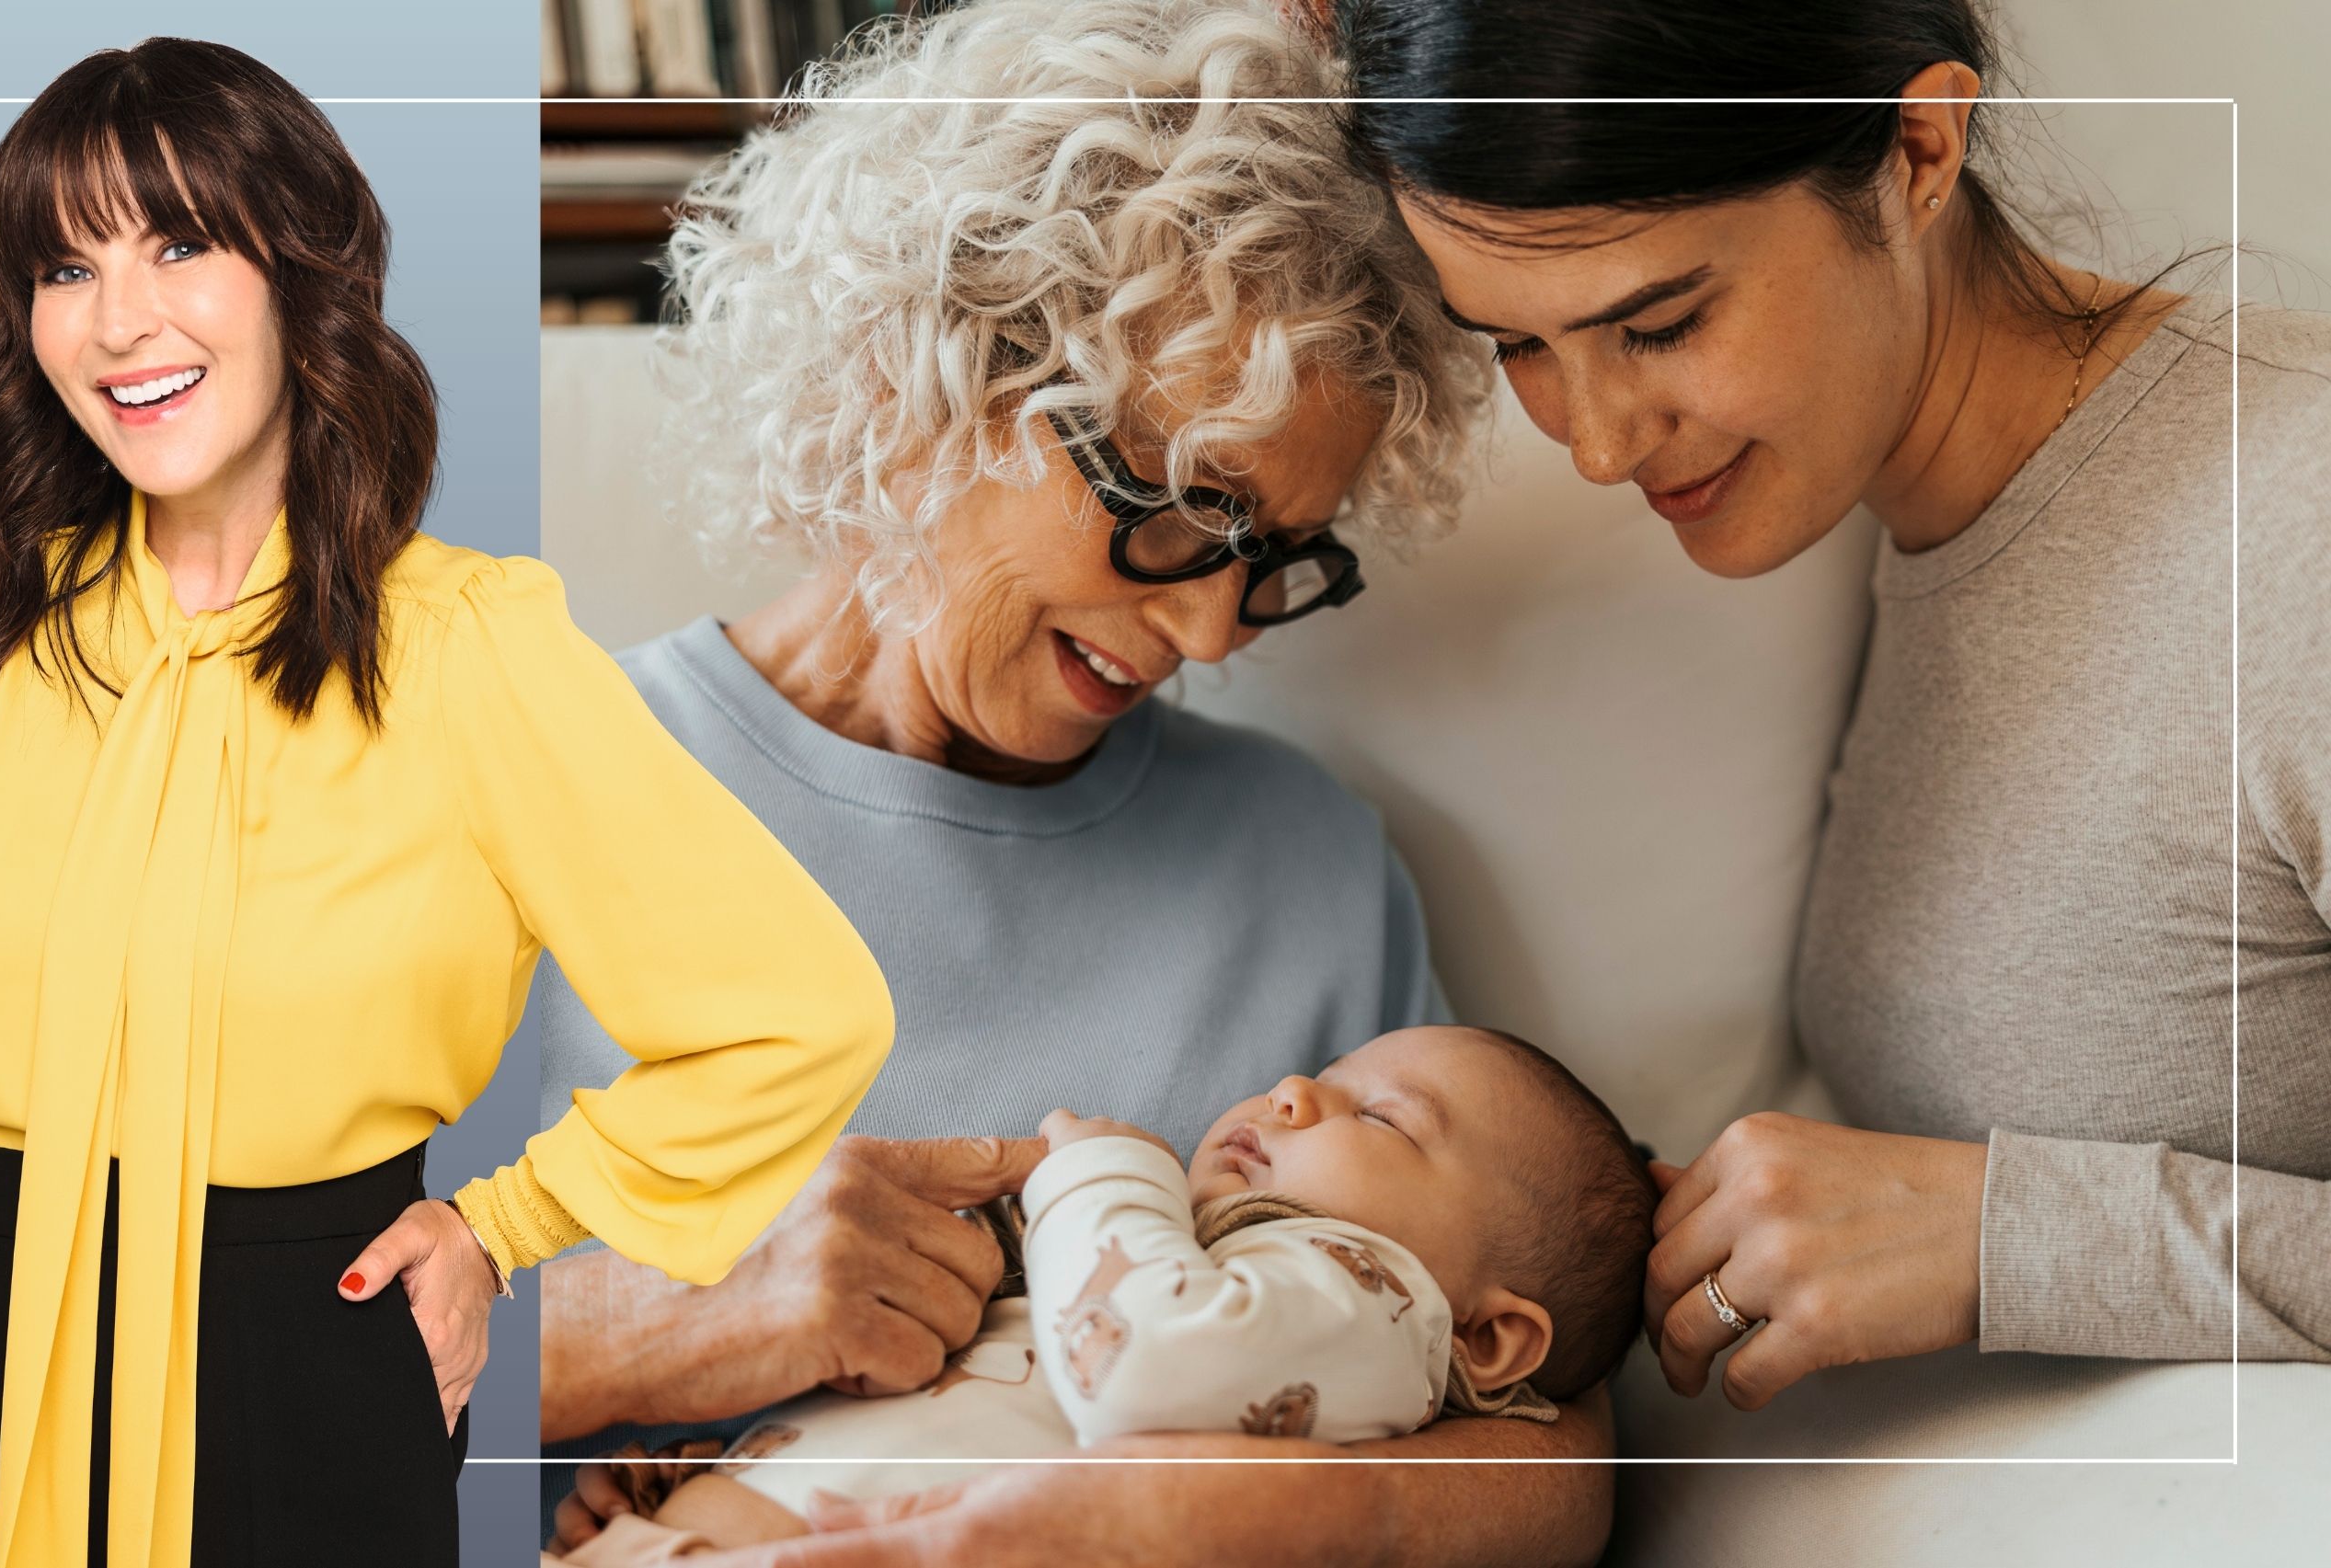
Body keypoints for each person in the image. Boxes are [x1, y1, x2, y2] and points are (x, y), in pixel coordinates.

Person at [0, 37, 891, 1568]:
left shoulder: (467, 646)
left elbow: (787, 1008)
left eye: (179, 242)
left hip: (316, 1357)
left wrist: (505, 1227)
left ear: (300, 272)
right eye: (62, 267)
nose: (119, 321)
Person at [532, 5, 1623, 1564]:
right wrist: (631, 1329)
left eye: (1273, 557)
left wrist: (1193, 1515)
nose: (1206, 629)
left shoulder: (1297, 871)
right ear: (933, 364)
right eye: (1178, 505)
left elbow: (1550, 1437)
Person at [1341, 0, 2331, 1411]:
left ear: (1921, 146)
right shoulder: (1903, 522)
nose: (1599, 442)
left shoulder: (2313, 523)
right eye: (1517, 347)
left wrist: (2015, 1239)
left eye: (1662, 320)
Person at [548, 1025, 1659, 1564]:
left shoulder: (1382, 1300)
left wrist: (1104, 1169)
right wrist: (735, 1461)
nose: (1294, 1088)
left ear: (1490, 1336)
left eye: (1384, 1116)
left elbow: (1138, 1366)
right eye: (1327, 1073)